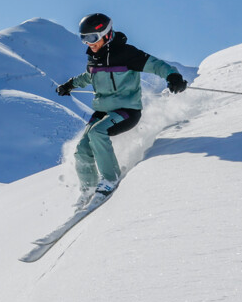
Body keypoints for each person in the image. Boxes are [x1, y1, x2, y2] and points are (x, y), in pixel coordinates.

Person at [56, 13, 187, 205]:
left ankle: (110, 178)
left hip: (127, 110)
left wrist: (173, 77)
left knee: (98, 133)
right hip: (102, 111)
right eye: (84, 38)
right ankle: (88, 189)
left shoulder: (126, 54)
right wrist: (70, 85)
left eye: (92, 38)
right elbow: (89, 76)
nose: (88, 43)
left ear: (106, 34)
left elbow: (156, 65)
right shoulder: (94, 57)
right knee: (82, 150)